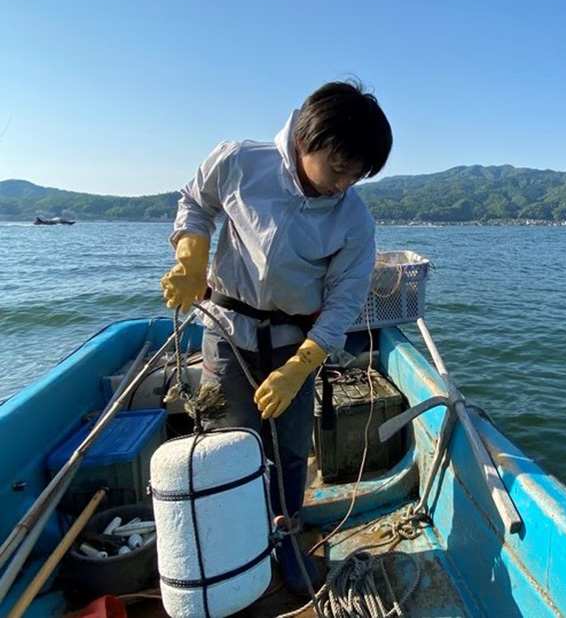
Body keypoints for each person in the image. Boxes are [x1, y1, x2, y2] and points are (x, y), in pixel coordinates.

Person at [160, 80, 392, 594]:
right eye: (338, 168)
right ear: (306, 140)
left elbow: (345, 300)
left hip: (294, 343)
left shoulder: (354, 219)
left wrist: (300, 366)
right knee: (226, 443)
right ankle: (232, 543)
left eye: (356, 176)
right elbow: (196, 201)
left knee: (289, 449)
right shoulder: (240, 161)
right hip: (226, 331)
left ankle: (286, 538)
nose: (343, 185)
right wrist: (191, 256)